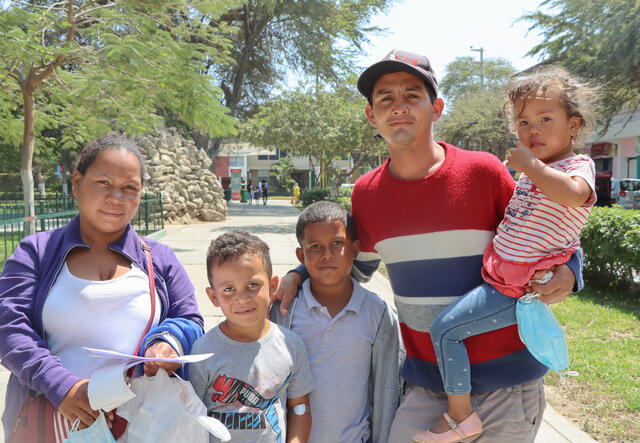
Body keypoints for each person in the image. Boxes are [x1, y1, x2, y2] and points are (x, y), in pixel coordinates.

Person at [276, 50, 584, 442]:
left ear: (436, 107)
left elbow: (547, 227)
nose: (398, 106)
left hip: (507, 383)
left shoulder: (483, 172)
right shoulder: (367, 195)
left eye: (412, 95)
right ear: (372, 116)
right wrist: (299, 273)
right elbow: (353, 268)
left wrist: (572, 270)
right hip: (429, 386)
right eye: (385, 98)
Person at [414, 68, 598, 442]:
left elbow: (575, 197)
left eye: (546, 119)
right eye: (524, 121)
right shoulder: (531, 175)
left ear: (573, 125)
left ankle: (460, 415)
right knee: (448, 330)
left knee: (445, 331)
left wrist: (531, 165)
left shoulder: (576, 167)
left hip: (514, 288)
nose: (534, 129)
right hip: (502, 276)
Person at [0, 134, 203, 439]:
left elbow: (191, 320)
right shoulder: (36, 253)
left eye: (129, 188)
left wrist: (170, 341)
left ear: (140, 194)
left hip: (144, 426)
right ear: (77, 183)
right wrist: (62, 387)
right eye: (103, 183)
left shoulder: (159, 259)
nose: (116, 197)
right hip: (54, 425)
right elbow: (9, 329)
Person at [270, 201, 404, 443]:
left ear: (355, 249)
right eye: (315, 246)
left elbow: (388, 388)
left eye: (337, 243)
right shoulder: (284, 311)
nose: (327, 254)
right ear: (301, 255)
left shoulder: (377, 313)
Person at [188, 230, 314, 442]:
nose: (242, 298)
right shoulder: (202, 352)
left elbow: (300, 408)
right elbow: (190, 418)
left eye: (253, 285)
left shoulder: (291, 345)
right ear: (213, 297)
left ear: (272, 287)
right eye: (228, 289)